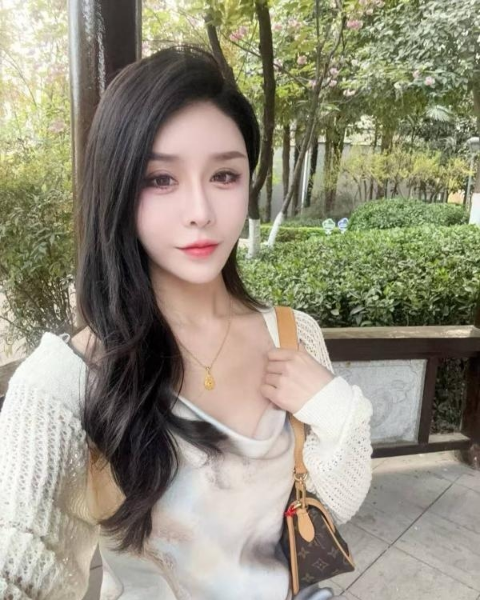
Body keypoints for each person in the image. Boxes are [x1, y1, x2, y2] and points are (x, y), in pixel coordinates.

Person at [0, 44, 373, 600]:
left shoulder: (295, 336)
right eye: (160, 179)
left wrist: (339, 413)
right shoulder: (66, 382)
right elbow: (24, 553)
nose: (201, 211)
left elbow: (333, 504)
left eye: (224, 175)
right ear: (117, 190)